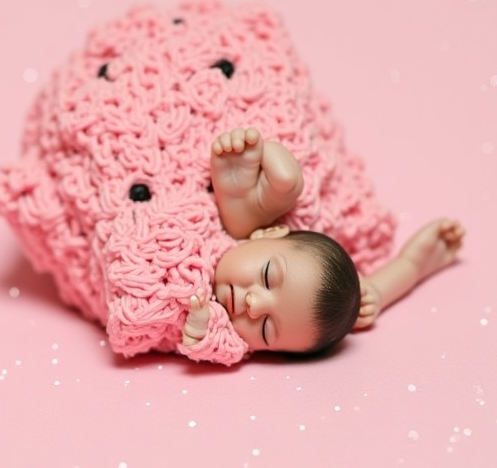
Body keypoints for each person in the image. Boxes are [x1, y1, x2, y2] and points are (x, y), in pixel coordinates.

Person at [180, 127, 466, 355]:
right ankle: (250, 211)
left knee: (349, 307)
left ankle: (244, 208)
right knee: (361, 300)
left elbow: (211, 345)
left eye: (266, 329)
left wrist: (201, 331)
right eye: (267, 276)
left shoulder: (229, 335)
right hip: (233, 230)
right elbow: (370, 292)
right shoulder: (300, 264)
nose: (254, 306)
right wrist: (413, 263)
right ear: (271, 231)